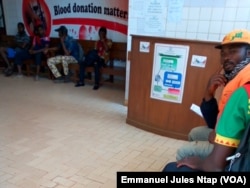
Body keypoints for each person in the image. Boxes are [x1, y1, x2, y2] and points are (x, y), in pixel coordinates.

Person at [163, 28, 250, 172]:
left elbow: (241, 137)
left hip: (237, 149)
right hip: (228, 137)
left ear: (248, 53)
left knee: (183, 153)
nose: (226, 57)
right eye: (223, 53)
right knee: (195, 133)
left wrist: (217, 141)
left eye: (233, 51)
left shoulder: (244, 83)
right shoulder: (230, 76)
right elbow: (213, 121)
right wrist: (208, 93)